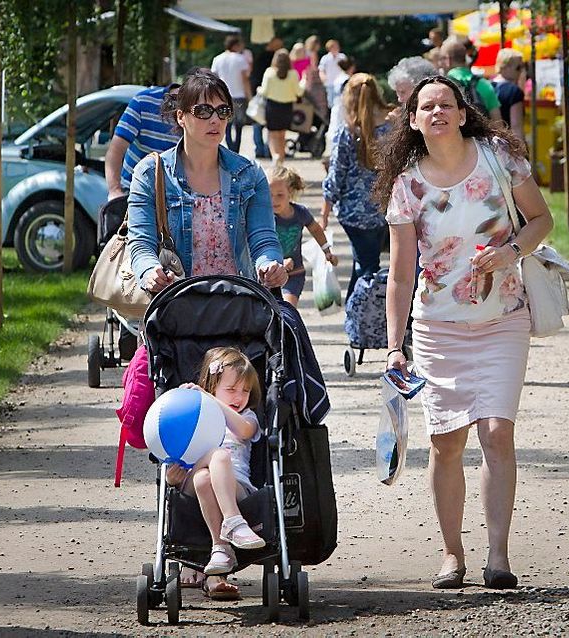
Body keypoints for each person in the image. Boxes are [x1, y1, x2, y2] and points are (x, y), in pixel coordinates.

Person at [373, 75, 553, 590]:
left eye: (445, 104)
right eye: (426, 107)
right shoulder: (408, 187)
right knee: (446, 441)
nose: (437, 112)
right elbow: (400, 275)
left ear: (460, 112)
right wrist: (394, 346)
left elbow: (541, 220)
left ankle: (499, 555)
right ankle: (452, 553)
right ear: (413, 120)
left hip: (503, 318)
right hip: (439, 327)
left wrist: (510, 252)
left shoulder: (499, 157)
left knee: (497, 431)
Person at [127, 69, 287, 293]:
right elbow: (141, 243)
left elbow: (264, 238)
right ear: (181, 117)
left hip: (239, 302)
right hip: (176, 302)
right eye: (203, 111)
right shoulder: (149, 174)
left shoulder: (249, 174)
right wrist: (150, 271)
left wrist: (269, 264)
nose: (215, 119)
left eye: (223, 111)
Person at [166, 347, 265, 600]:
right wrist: (171, 478)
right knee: (217, 457)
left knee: (205, 478)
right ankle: (233, 522)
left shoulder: (247, 417)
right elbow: (174, 445)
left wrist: (213, 402)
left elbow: (244, 431)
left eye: (245, 391)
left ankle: (220, 553)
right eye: (231, 389)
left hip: (235, 486)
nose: (239, 397)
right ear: (212, 387)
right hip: (189, 478)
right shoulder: (194, 413)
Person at [322, 73, 393, 297]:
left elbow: (337, 174)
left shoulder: (348, 132)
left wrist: (325, 209)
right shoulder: (391, 128)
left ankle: (358, 309)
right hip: (383, 210)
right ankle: (356, 310)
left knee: (366, 265)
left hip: (353, 213)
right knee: (366, 261)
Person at [268, 164, 338, 307]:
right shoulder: (265, 217)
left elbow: (316, 229)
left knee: (288, 308)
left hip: (294, 274)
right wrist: (279, 262)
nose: (274, 200)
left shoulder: (300, 213)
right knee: (270, 311)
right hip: (269, 275)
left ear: (290, 192)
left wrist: (327, 251)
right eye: (269, 195)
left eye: (280, 195)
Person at [104, 83, 181, 201]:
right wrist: (115, 191)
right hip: (133, 192)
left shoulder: (201, 117)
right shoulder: (143, 102)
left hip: (174, 198)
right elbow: (116, 150)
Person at [258, 49, 304, 165]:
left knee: (272, 134)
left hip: (272, 106)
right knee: (282, 135)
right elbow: (299, 92)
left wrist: (258, 89)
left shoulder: (269, 72)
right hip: (287, 108)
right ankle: (281, 160)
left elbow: (264, 91)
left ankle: (275, 155)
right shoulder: (293, 74)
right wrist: (304, 81)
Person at [437, 40, 501, 122]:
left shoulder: (443, 86)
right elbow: (498, 123)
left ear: (447, 60)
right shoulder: (484, 84)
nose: (439, 64)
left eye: (441, 59)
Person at [210, 35, 251, 153]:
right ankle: (236, 149)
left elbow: (214, 78)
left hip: (223, 96)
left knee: (226, 123)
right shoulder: (240, 59)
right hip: (239, 95)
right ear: (235, 45)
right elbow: (245, 79)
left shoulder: (217, 59)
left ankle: (230, 148)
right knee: (239, 125)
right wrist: (249, 95)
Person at [249, 36, 283, 159]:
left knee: (258, 122)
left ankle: (260, 149)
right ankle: (267, 149)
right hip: (270, 95)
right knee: (270, 125)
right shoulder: (274, 59)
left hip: (259, 92)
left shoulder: (259, 57)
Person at [492, 48, 526, 142]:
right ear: (505, 67)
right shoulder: (514, 91)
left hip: (488, 143)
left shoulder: (486, 86)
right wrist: (522, 148)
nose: (521, 71)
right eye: (518, 67)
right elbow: (516, 127)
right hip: (507, 143)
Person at [319, 39, 348, 106]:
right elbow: (321, 70)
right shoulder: (325, 58)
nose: (336, 48)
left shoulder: (342, 57)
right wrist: (323, 77)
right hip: (330, 83)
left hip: (341, 83)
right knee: (331, 103)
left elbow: (347, 68)